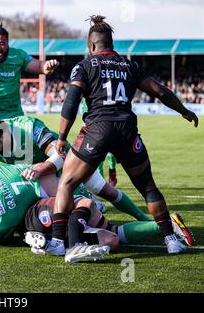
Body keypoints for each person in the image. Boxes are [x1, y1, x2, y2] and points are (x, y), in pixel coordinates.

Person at [54, 15, 199, 255]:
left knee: (67, 182)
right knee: (148, 187)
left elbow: (71, 101)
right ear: (111, 44)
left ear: (91, 46)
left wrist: (61, 136)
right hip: (126, 130)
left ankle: (58, 243)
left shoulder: (84, 66)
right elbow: (160, 91)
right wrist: (183, 110)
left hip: (98, 130)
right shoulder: (129, 65)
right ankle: (171, 240)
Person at [0, 116, 151, 221]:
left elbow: (60, 156)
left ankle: (143, 218)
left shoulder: (29, 127)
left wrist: (40, 168)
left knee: (103, 190)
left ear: (5, 131)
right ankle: (84, 202)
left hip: (68, 160)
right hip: (37, 176)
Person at [22, 196, 195, 263]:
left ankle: (59, 245)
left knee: (111, 233)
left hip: (67, 212)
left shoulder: (73, 156)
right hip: (53, 213)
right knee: (112, 237)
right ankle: (66, 245)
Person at [0, 19, 59, 121]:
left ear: (8, 42)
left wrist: (47, 66)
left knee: (42, 132)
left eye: (1, 43)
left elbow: (39, 66)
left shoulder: (18, 55)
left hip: (15, 116)